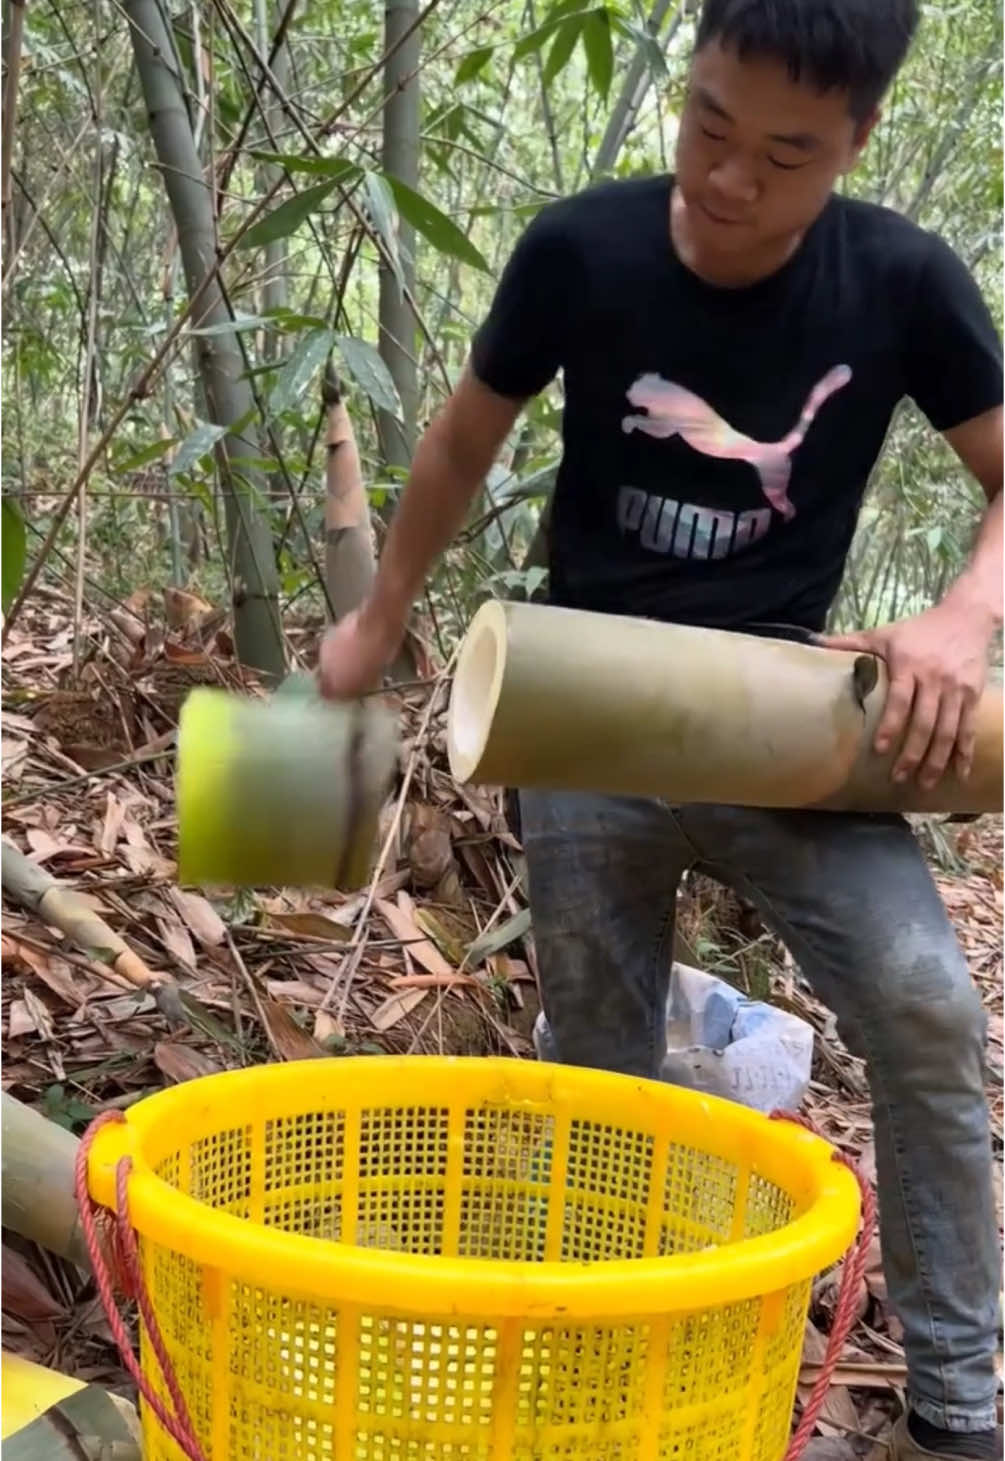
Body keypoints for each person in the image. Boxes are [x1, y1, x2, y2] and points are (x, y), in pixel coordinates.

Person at [319, 1, 1004, 1455]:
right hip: (592, 722)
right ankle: (601, 1360)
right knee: (594, 1054)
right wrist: (380, 617)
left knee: (928, 1006)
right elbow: (458, 440)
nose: (729, 179)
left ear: (854, 143)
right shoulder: (584, 248)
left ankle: (958, 1397)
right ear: (685, 82)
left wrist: (959, 619)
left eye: (784, 154)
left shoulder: (900, 281)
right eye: (706, 123)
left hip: (793, 730)